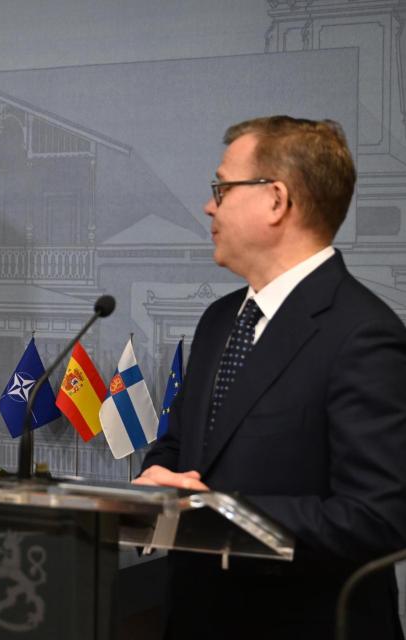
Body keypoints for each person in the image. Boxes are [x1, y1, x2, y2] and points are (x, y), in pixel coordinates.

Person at [136, 116, 406, 639]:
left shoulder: (363, 334)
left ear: (276, 200)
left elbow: (378, 517)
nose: (209, 205)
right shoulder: (219, 319)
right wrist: (157, 486)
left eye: (221, 187)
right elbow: (175, 449)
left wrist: (217, 514)